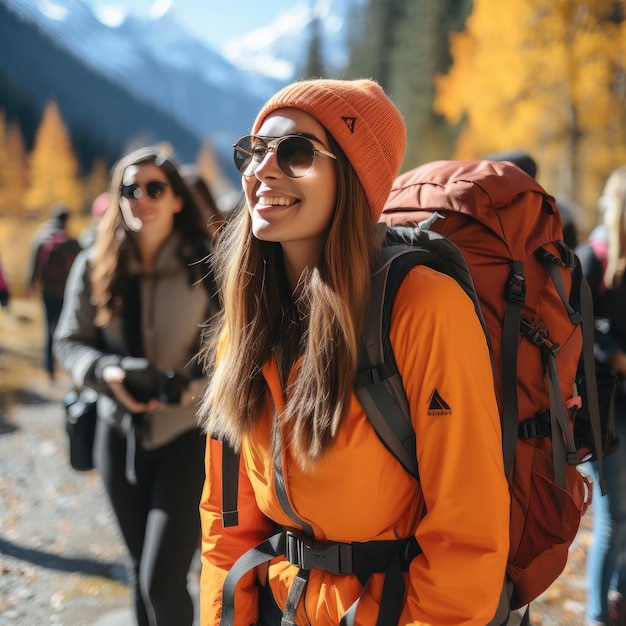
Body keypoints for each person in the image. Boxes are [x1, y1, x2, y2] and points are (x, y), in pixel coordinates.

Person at [198, 78, 510, 625]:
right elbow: (227, 520)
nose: (261, 170)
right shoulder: (246, 325)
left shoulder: (424, 307)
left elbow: (468, 534)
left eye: (293, 152)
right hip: (282, 606)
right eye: (253, 151)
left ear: (354, 175)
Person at [53, 146, 220, 626]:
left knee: (161, 582)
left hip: (184, 435)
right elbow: (68, 341)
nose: (140, 198)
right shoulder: (93, 265)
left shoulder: (205, 266)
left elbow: (233, 355)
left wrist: (187, 389)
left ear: (177, 199)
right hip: (116, 432)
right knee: (138, 571)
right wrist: (105, 373)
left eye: (154, 188)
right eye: (129, 189)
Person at [577, 165, 626, 626]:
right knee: (614, 517)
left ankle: (617, 600)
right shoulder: (590, 260)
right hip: (606, 408)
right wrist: (614, 357)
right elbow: (573, 330)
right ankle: (596, 616)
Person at [27, 203, 81, 380]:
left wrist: (30, 285)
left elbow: (34, 264)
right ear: (67, 219)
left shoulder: (41, 238)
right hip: (66, 292)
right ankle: (66, 365)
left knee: (47, 328)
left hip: (47, 291)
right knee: (64, 328)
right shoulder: (72, 242)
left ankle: (49, 369)